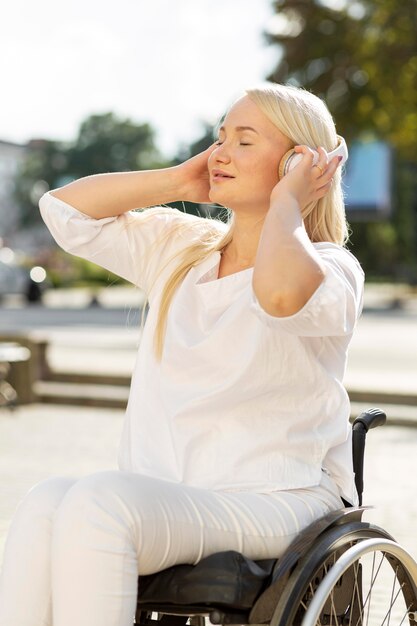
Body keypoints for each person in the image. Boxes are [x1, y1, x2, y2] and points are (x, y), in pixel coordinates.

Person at [0, 83, 364, 626]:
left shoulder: (331, 268)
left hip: (276, 495)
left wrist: (289, 200)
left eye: (245, 141)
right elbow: (63, 212)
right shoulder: (183, 248)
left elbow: (281, 296)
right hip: (176, 494)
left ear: (297, 160)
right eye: (219, 137)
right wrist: (178, 181)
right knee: (46, 502)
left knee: (102, 503)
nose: (220, 152)